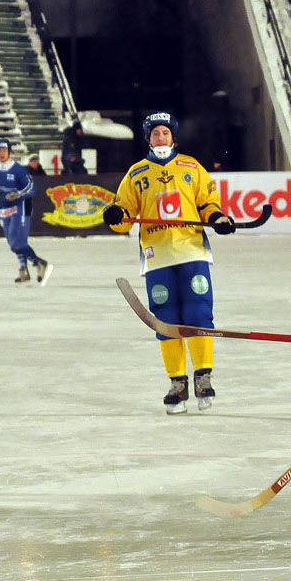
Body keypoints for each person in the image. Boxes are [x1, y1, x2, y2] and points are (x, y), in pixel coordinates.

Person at [102, 111, 236, 414]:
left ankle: (203, 376)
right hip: (156, 258)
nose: (160, 138)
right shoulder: (136, 173)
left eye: (164, 133)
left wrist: (218, 218)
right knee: (166, 320)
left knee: (198, 313)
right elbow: (124, 213)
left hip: (191, 253)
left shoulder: (191, 167)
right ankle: (177, 384)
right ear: (148, 139)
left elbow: (207, 203)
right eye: (154, 134)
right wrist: (115, 216)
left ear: (173, 136)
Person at [0, 138, 52, 285]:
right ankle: (23, 270)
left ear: (9, 152)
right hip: (2, 210)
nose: (2, 153)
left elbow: (31, 187)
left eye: (4, 151)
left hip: (19, 209)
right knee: (12, 244)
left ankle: (39, 263)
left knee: (17, 243)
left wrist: (18, 194)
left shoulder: (18, 169)